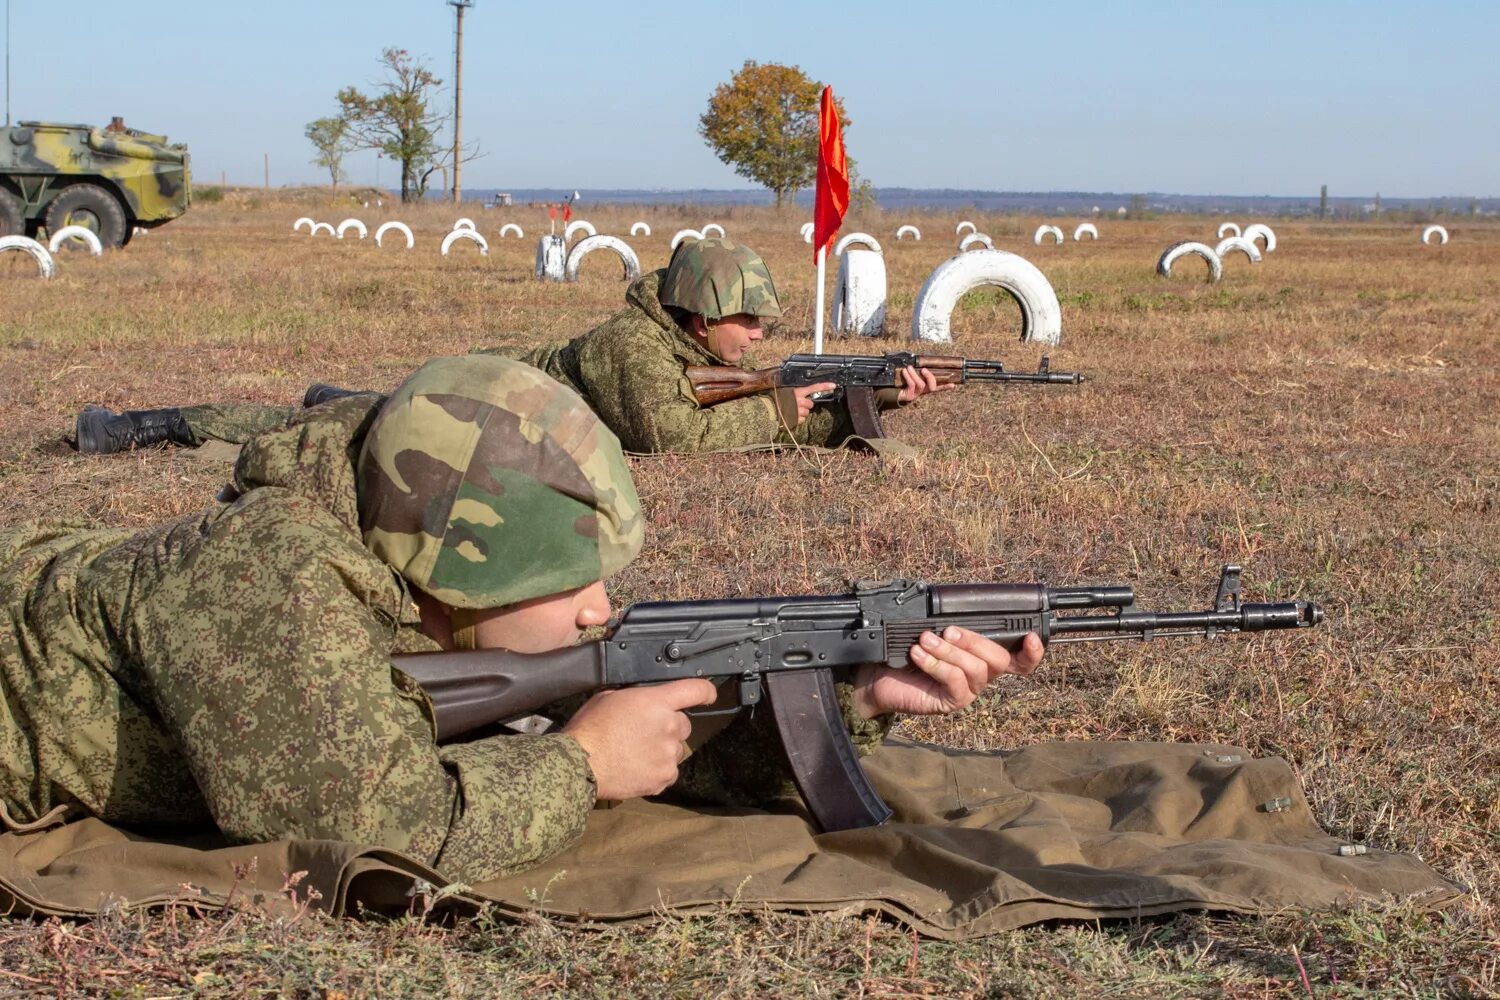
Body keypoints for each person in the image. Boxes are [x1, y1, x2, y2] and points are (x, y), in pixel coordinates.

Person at [7, 355, 1040, 883]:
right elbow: (368, 824)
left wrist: (858, 699)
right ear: (455, 569)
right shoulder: (263, 584)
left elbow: (636, 737)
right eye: (566, 580)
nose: (599, 607)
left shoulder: (385, 556)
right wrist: (579, 766)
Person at [70, 238, 952, 455]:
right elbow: (671, 442)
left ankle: (337, 394)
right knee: (342, 432)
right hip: (483, 393)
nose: (763, 335)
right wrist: (789, 416)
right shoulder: (629, 349)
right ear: (695, 318)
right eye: (749, 321)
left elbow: (760, 407)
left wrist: (871, 404)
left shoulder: (685, 349)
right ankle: (146, 425)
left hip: (510, 405)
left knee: (361, 410)